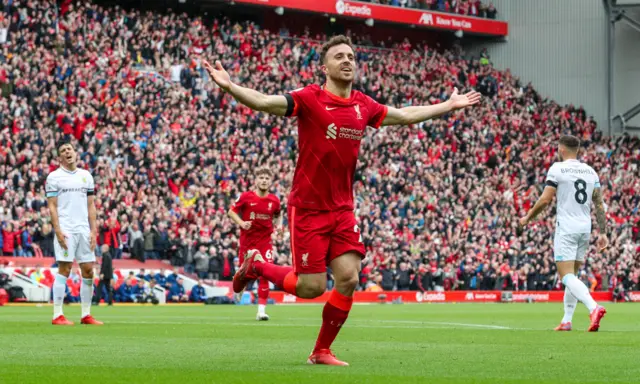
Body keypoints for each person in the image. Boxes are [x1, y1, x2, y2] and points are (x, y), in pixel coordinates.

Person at [203, 35, 480, 365]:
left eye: (350, 56)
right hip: (307, 208)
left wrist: (447, 106)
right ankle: (256, 266)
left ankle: (321, 351)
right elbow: (264, 102)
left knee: (349, 277)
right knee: (311, 288)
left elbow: (405, 115)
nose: (347, 60)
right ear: (325, 67)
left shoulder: (364, 105)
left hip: (343, 209)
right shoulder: (309, 99)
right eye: (339, 57)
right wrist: (231, 87)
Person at [520, 135, 608, 332]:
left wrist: (527, 218)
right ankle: (567, 320)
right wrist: (604, 232)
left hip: (567, 228)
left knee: (566, 275)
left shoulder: (557, 169)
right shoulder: (590, 171)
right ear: (578, 150)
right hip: (585, 228)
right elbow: (599, 204)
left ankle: (594, 307)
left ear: (561, 149)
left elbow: (545, 200)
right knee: (573, 274)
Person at [46, 139, 103, 325]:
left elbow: (91, 205)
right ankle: (57, 315)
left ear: (75, 151)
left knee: (88, 270)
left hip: (83, 230)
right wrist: (58, 230)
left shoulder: (86, 176)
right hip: (67, 229)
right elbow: (52, 207)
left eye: (69, 148)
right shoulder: (54, 177)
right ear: (59, 157)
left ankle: (86, 314)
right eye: (63, 150)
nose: (67, 152)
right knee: (65, 268)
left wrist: (93, 231)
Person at [228, 166, 282, 321]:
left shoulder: (274, 200)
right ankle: (238, 289)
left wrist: (278, 227)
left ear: (270, 182)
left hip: (265, 243)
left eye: (267, 178)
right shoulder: (246, 197)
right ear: (256, 180)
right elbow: (231, 211)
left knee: (265, 274)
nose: (264, 181)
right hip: (247, 244)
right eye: (261, 178)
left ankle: (261, 311)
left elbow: (278, 215)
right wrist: (241, 222)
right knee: (245, 275)